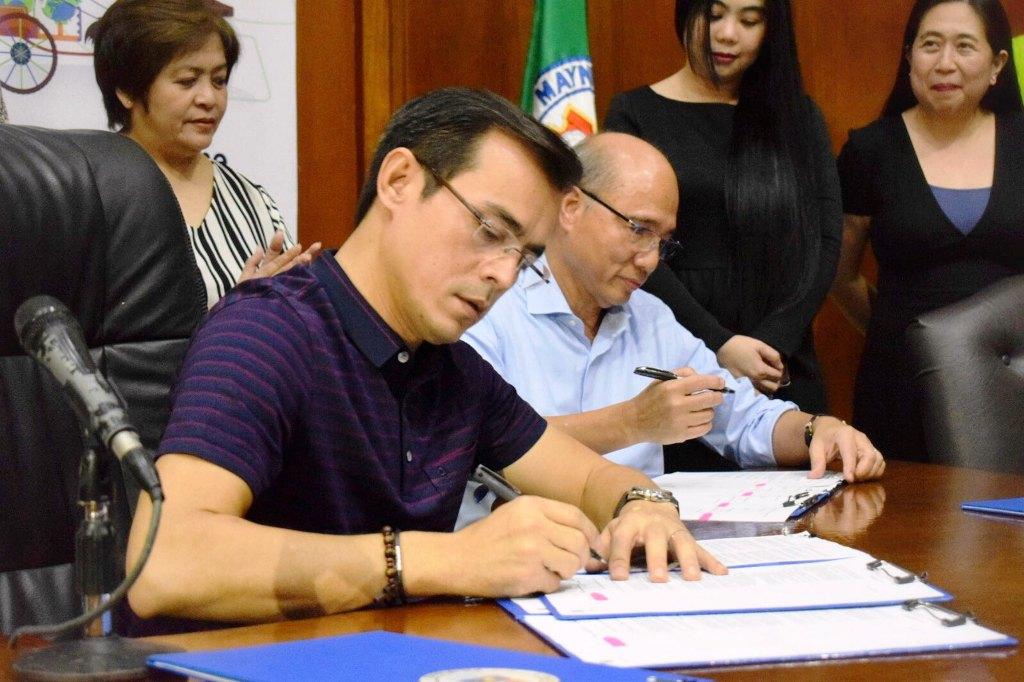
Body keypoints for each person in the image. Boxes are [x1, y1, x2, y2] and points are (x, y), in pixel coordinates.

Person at [125, 88, 728, 635]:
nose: (503, 275)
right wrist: (441, 560)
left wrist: (645, 508)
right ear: (399, 181)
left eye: (524, 255)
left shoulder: (452, 370)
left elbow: (593, 478)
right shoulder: (266, 331)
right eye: (491, 230)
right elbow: (164, 564)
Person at [457, 133, 884, 527]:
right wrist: (631, 422)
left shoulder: (651, 317)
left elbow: (743, 417)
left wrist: (818, 431)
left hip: (640, 559)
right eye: (639, 230)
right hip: (506, 562)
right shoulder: (490, 305)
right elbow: (471, 445)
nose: (650, 260)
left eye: (663, 242)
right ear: (571, 207)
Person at [603, 0, 841, 442]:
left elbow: (825, 239)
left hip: (780, 360)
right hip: (679, 346)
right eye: (715, 15)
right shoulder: (634, 112)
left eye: (749, 20)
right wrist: (719, 343)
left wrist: (773, 343)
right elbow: (632, 243)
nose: (728, 34)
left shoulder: (798, 116)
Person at [831, 0, 1023, 461]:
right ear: (909, 56)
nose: (945, 63)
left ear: (997, 63)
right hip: (900, 380)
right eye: (930, 45)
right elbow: (842, 275)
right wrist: (900, 329)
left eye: (964, 46)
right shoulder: (870, 150)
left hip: (1014, 380)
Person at [88, 0, 319, 308]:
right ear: (127, 90)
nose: (209, 98)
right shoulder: (90, 197)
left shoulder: (252, 201)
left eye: (219, 80)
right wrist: (233, 312)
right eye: (187, 81)